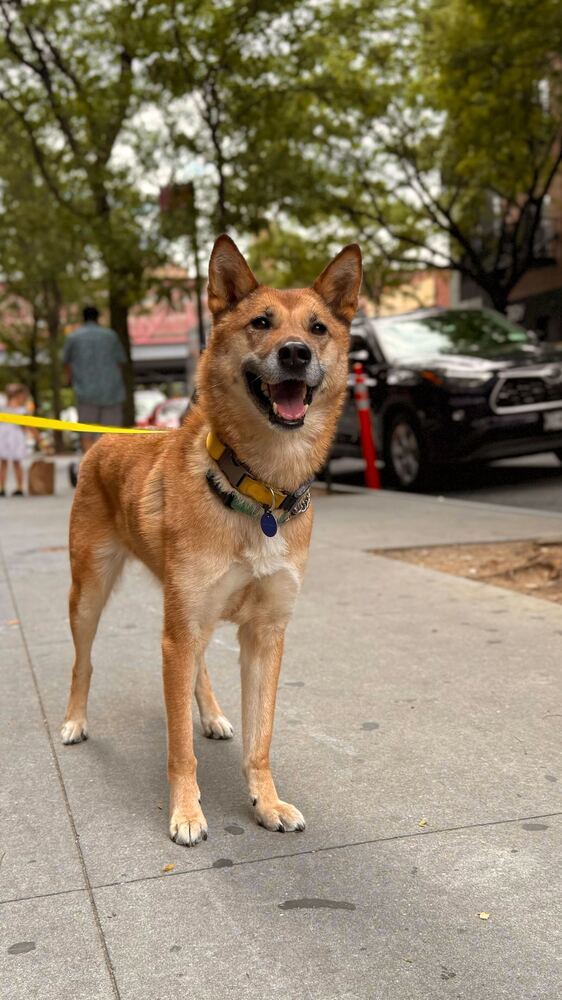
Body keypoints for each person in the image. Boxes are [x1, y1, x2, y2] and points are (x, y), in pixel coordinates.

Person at [63, 305, 127, 485]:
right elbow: (120, 363)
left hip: (85, 392)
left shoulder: (73, 337)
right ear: (98, 318)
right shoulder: (111, 336)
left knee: (87, 434)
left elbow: (66, 364)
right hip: (112, 391)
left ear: (83, 318)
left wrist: (68, 381)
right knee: (112, 434)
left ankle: (91, 472)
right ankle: (111, 472)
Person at [0, 383, 32, 496]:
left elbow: (28, 425)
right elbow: (29, 426)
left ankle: (11, 487)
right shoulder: (5, 404)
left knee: (10, 462)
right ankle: (10, 487)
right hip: (9, 435)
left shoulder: (18, 408)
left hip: (9, 435)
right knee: (9, 462)